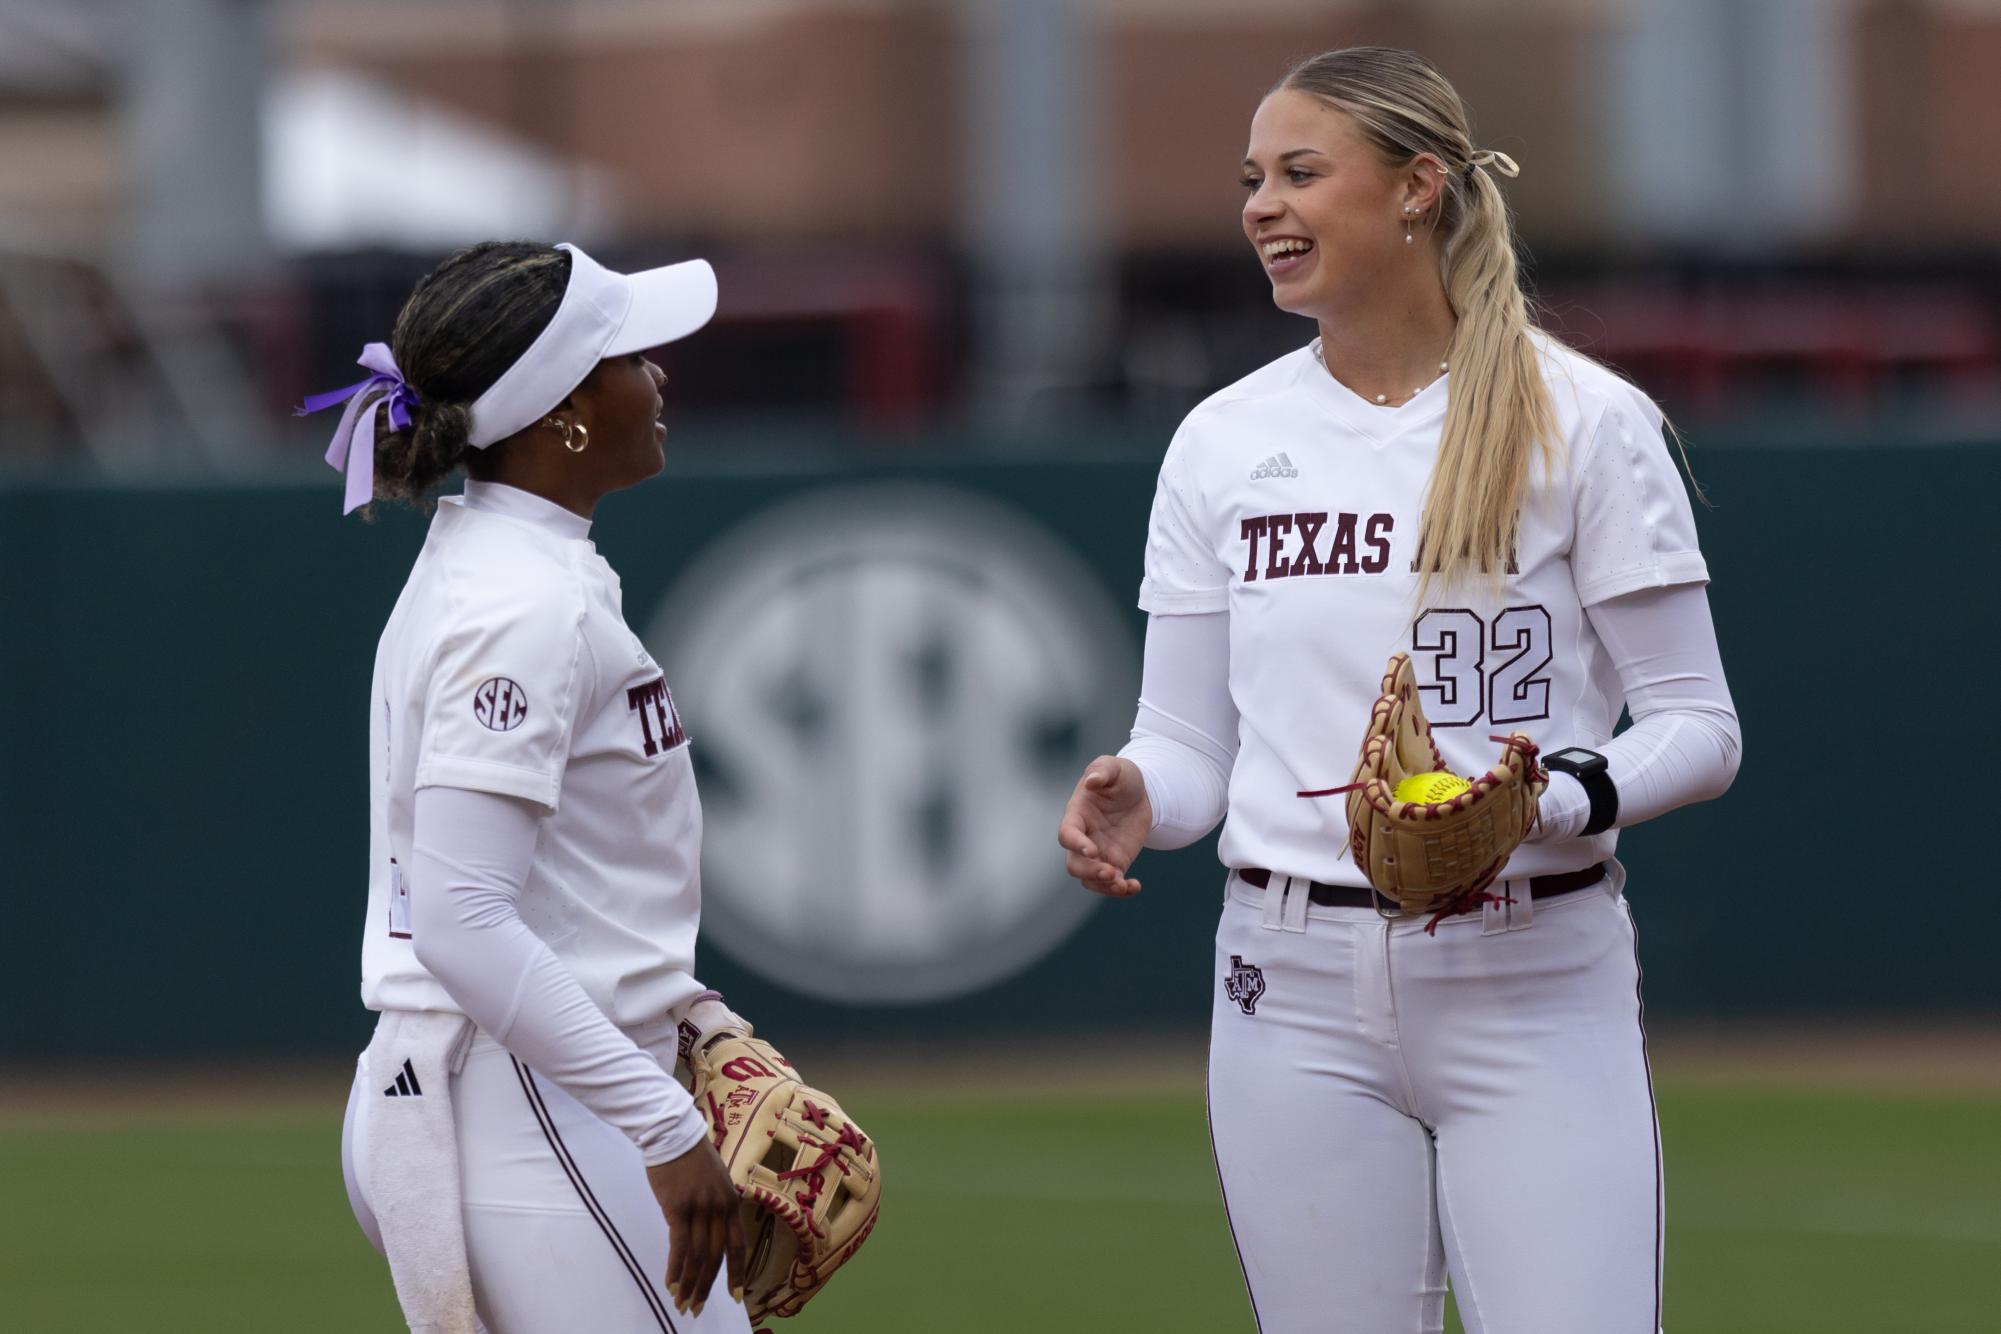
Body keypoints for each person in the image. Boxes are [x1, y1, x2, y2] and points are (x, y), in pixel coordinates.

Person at [1056, 47, 1741, 1334]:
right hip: (1287, 981)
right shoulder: (1220, 439)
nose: (1262, 203)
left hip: (1533, 971)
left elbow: (1700, 727)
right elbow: (1189, 739)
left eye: (1302, 172)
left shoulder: (1583, 419)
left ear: (1419, 186)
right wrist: (1140, 786)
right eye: (1253, 177)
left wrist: (1543, 802)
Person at [307, 240, 754, 1333]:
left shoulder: (509, 570)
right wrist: (663, 1120)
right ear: (562, 411)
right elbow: (461, 917)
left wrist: (691, 1012)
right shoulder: (522, 605)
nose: (658, 378)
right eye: (631, 357)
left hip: (500, 1089)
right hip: (529, 1109)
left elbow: (561, 883)